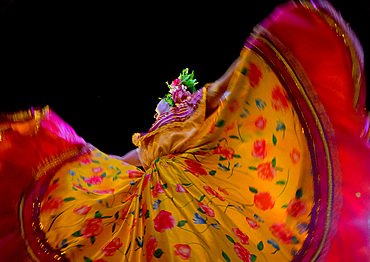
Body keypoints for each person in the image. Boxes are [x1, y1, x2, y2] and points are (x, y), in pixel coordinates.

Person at [1, 0, 369, 261]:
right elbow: (129, 162)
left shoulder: (209, 111)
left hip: (188, 215)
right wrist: (88, 164)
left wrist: (276, 36)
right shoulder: (161, 133)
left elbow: (238, 81)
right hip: (143, 210)